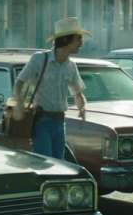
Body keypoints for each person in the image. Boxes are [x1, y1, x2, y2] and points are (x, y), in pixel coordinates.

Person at [10, 17, 89, 159]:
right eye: (78, 39)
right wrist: (19, 104)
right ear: (66, 40)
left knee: (59, 163)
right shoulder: (39, 59)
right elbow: (19, 83)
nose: (81, 44)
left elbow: (77, 93)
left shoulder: (71, 66)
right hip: (42, 121)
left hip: (60, 122)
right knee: (45, 162)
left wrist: (82, 108)